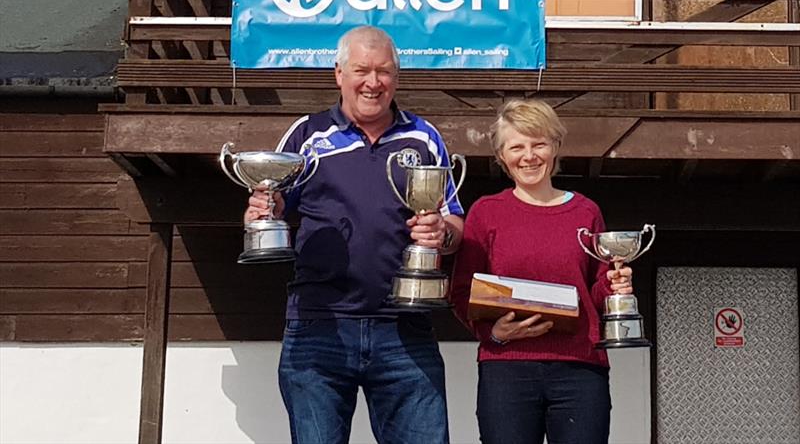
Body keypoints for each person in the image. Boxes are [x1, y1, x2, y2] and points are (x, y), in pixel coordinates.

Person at [244, 26, 465, 444]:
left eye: (384, 71)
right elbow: (269, 206)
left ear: (397, 77)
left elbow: (455, 222)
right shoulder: (307, 135)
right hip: (319, 326)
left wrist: (442, 234)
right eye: (361, 69)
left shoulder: (423, 137)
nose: (373, 82)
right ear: (338, 73)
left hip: (405, 328)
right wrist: (260, 211)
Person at [449, 99, 633, 444]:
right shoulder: (485, 213)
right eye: (516, 146)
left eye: (539, 144)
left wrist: (614, 286)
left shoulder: (586, 212)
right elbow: (461, 292)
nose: (528, 156)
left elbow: (595, 291)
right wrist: (495, 332)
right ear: (502, 155)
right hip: (506, 368)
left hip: (580, 369)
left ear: (556, 147)